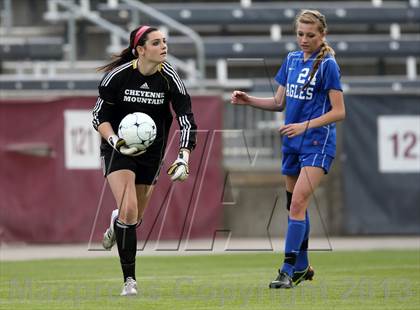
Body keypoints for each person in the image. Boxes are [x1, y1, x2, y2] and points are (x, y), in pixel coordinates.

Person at [231, 10, 345, 288]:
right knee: (294, 204)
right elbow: (279, 102)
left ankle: (287, 268)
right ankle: (303, 266)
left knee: (297, 202)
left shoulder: (328, 64)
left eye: (310, 35)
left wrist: (305, 126)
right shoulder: (292, 60)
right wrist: (249, 100)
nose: (304, 40)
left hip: (317, 142)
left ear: (322, 35)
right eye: (300, 34)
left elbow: (339, 112)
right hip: (292, 142)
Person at [92, 25, 197, 296]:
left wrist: (183, 158)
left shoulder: (170, 78)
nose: (164, 47)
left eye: (165, 42)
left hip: (152, 153)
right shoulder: (117, 77)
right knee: (128, 209)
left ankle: (118, 221)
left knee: (134, 217)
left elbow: (186, 119)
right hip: (118, 147)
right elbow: (98, 117)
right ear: (140, 50)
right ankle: (130, 281)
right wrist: (115, 141)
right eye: (156, 43)